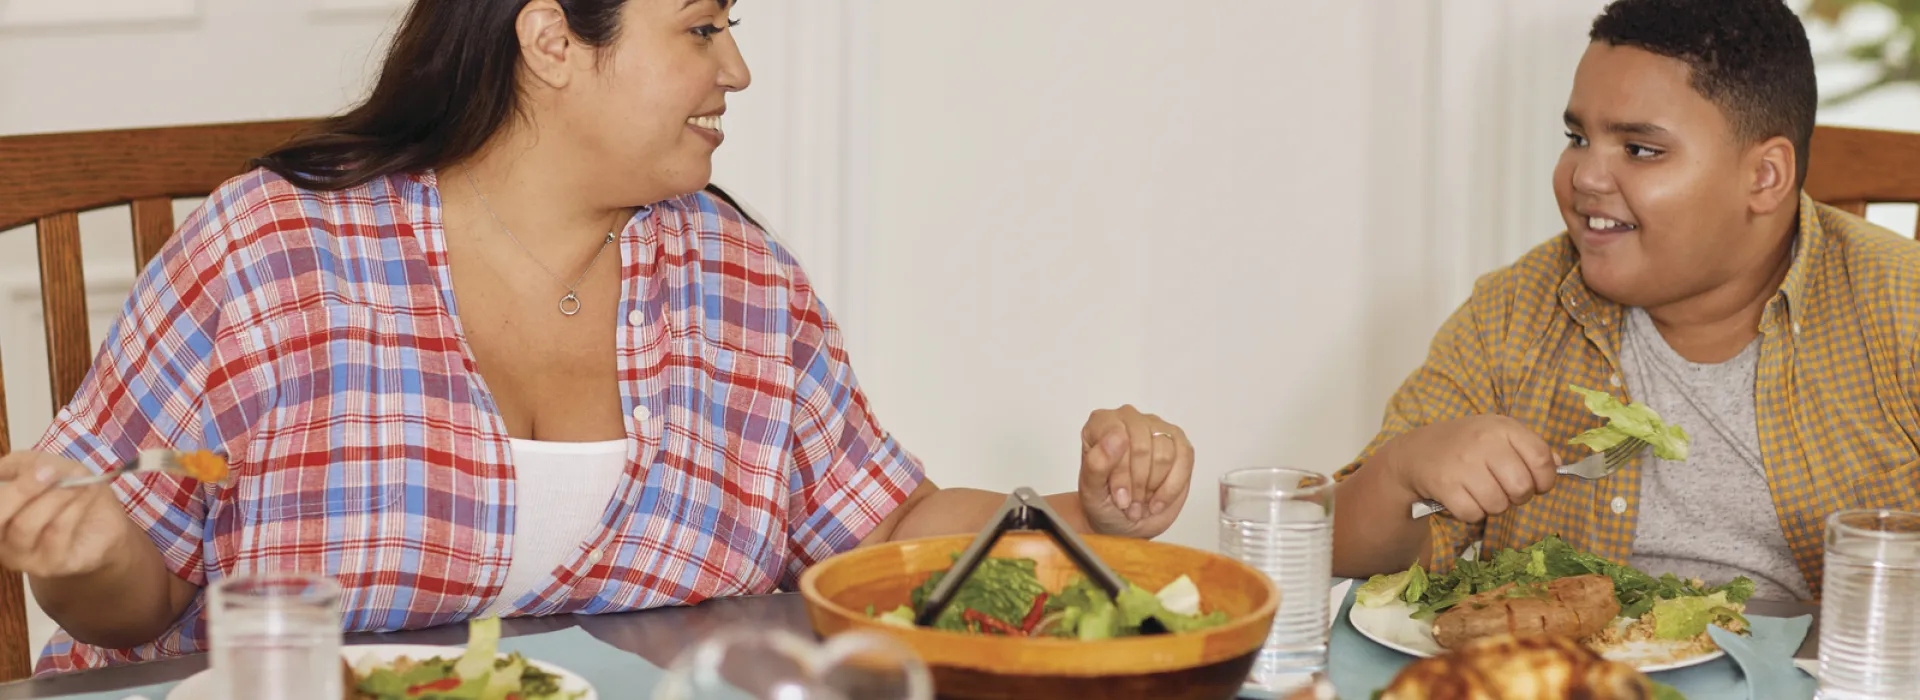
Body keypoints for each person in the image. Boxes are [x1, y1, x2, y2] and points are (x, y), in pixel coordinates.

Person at [0, 0, 1197, 674]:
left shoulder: (737, 276)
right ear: (553, 41)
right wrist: (88, 552)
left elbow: (880, 527)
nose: (737, 66)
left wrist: (1083, 524)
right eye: (701, 27)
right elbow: (128, 606)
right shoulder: (274, 253)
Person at [1330, 0, 1920, 603]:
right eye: (1577, 137)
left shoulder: (1903, 310)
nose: (1586, 176)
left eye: (1640, 149)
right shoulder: (1513, 314)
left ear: (1764, 177)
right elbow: (1339, 547)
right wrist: (1403, 472)